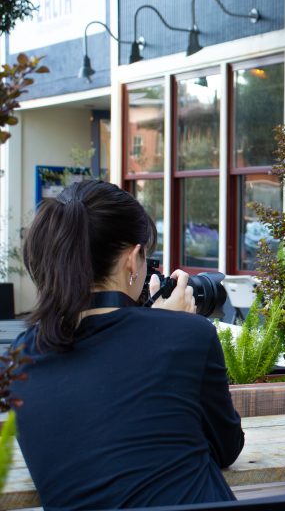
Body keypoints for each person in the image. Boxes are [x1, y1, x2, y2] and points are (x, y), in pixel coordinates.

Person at [10, 180, 244, 509]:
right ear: (132, 260)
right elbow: (226, 448)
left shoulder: (19, 358)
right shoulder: (186, 335)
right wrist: (171, 325)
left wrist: (158, 324)